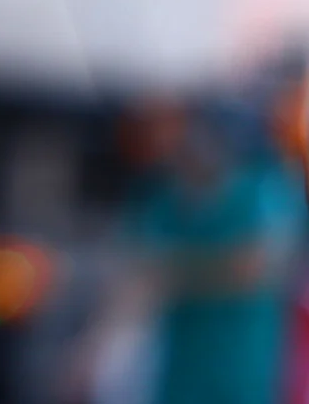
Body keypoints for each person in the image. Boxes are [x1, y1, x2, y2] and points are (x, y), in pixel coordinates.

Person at [128, 103, 306, 404]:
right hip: (183, 374)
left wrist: (176, 273)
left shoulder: (263, 187)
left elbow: (255, 269)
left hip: (243, 372)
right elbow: (137, 276)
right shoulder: (166, 199)